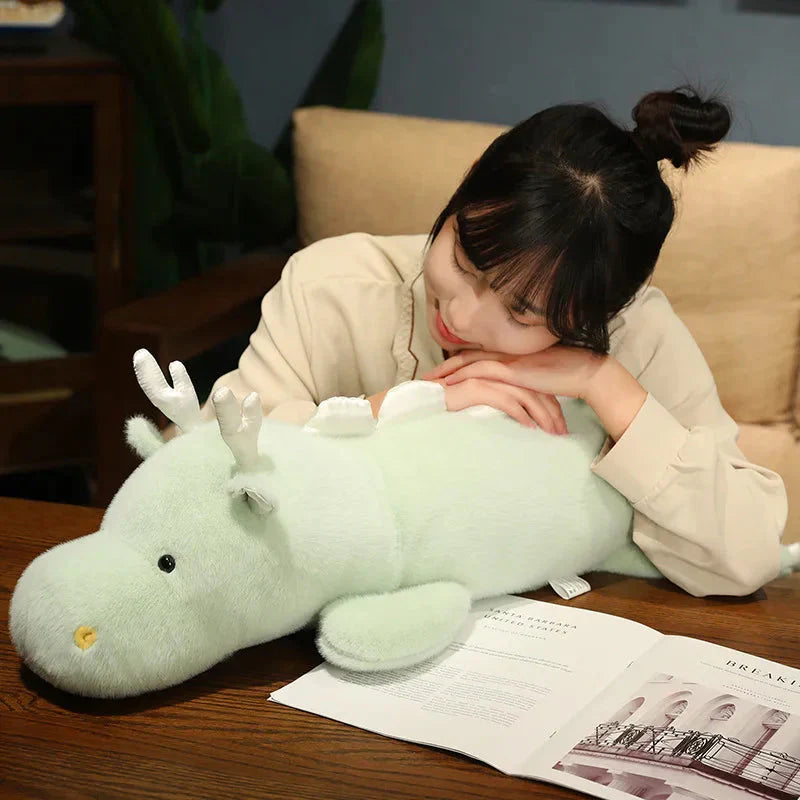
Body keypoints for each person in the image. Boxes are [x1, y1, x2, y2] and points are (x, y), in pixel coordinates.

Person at [189, 85, 787, 598]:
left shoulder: (638, 336)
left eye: (522, 312)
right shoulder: (334, 286)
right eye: (464, 259)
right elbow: (199, 474)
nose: (462, 315)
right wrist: (400, 409)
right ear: (466, 186)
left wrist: (601, 383)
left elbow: (748, 555)